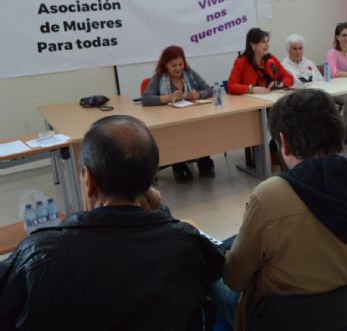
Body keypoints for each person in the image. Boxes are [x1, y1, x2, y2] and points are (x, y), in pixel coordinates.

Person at [0, 115, 225, 330]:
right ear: (150, 181)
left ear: (89, 180)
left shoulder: (41, 253)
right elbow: (216, 273)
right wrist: (161, 214)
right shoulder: (186, 242)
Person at [213, 89, 347, 331]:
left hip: (278, 322)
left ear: (285, 142)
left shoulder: (269, 198)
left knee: (209, 277)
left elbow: (235, 279)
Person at [142, 45, 216, 183]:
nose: (178, 68)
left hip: (192, 117)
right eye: (173, 65)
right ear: (165, 65)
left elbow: (208, 89)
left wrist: (198, 94)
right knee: (176, 135)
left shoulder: (190, 73)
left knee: (202, 128)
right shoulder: (159, 77)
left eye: (181, 64)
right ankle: (178, 164)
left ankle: (204, 161)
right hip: (170, 122)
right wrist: (168, 97)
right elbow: (146, 99)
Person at [227, 27, 294, 95]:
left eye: (267, 41)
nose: (267, 45)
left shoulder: (271, 59)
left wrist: (280, 84)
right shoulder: (241, 62)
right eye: (263, 42)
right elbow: (231, 86)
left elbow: (289, 78)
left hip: (271, 101)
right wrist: (251, 89)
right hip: (252, 103)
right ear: (253, 45)